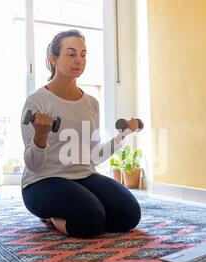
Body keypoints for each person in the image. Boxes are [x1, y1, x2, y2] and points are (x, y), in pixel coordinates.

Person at [21, 29, 142, 238]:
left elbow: (95, 155)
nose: (79, 60)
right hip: (43, 180)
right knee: (91, 219)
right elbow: (34, 165)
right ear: (54, 58)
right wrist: (40, 137)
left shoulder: (91, 103)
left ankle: (87, 211)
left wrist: (123, 135)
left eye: (83, 54)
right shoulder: (37, 101)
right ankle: (51, 217)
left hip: (84, 175)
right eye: (71, 54)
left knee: (129, 215)